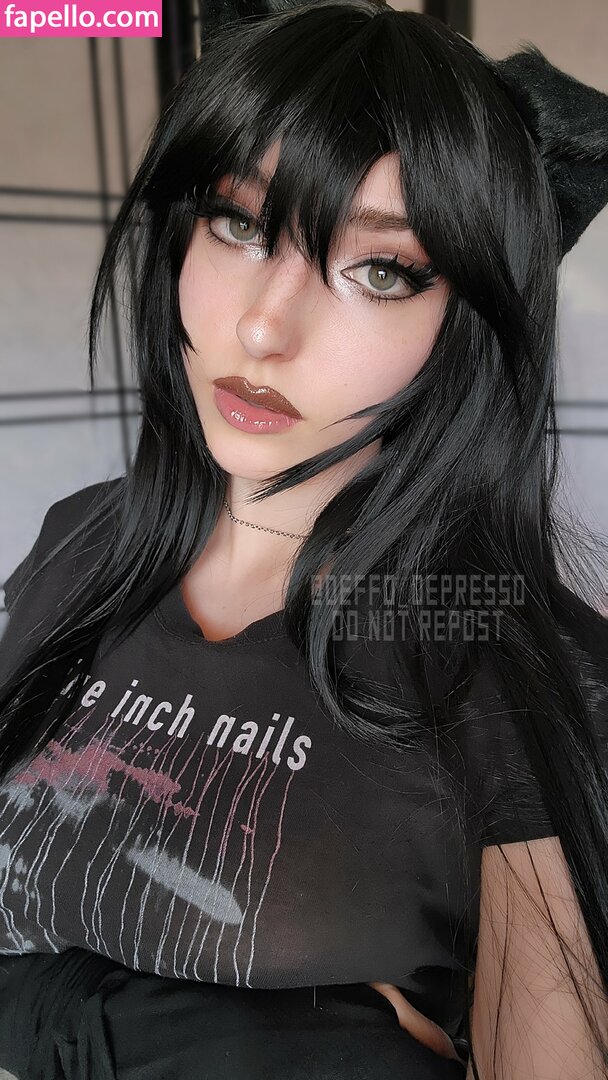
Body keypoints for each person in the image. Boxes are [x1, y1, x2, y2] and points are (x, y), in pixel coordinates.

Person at [0, 1, 607, 1077]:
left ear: (465, 323)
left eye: (380, 270)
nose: (261, 327)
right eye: (237, 224)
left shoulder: (511, 668)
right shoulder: (79, 539)